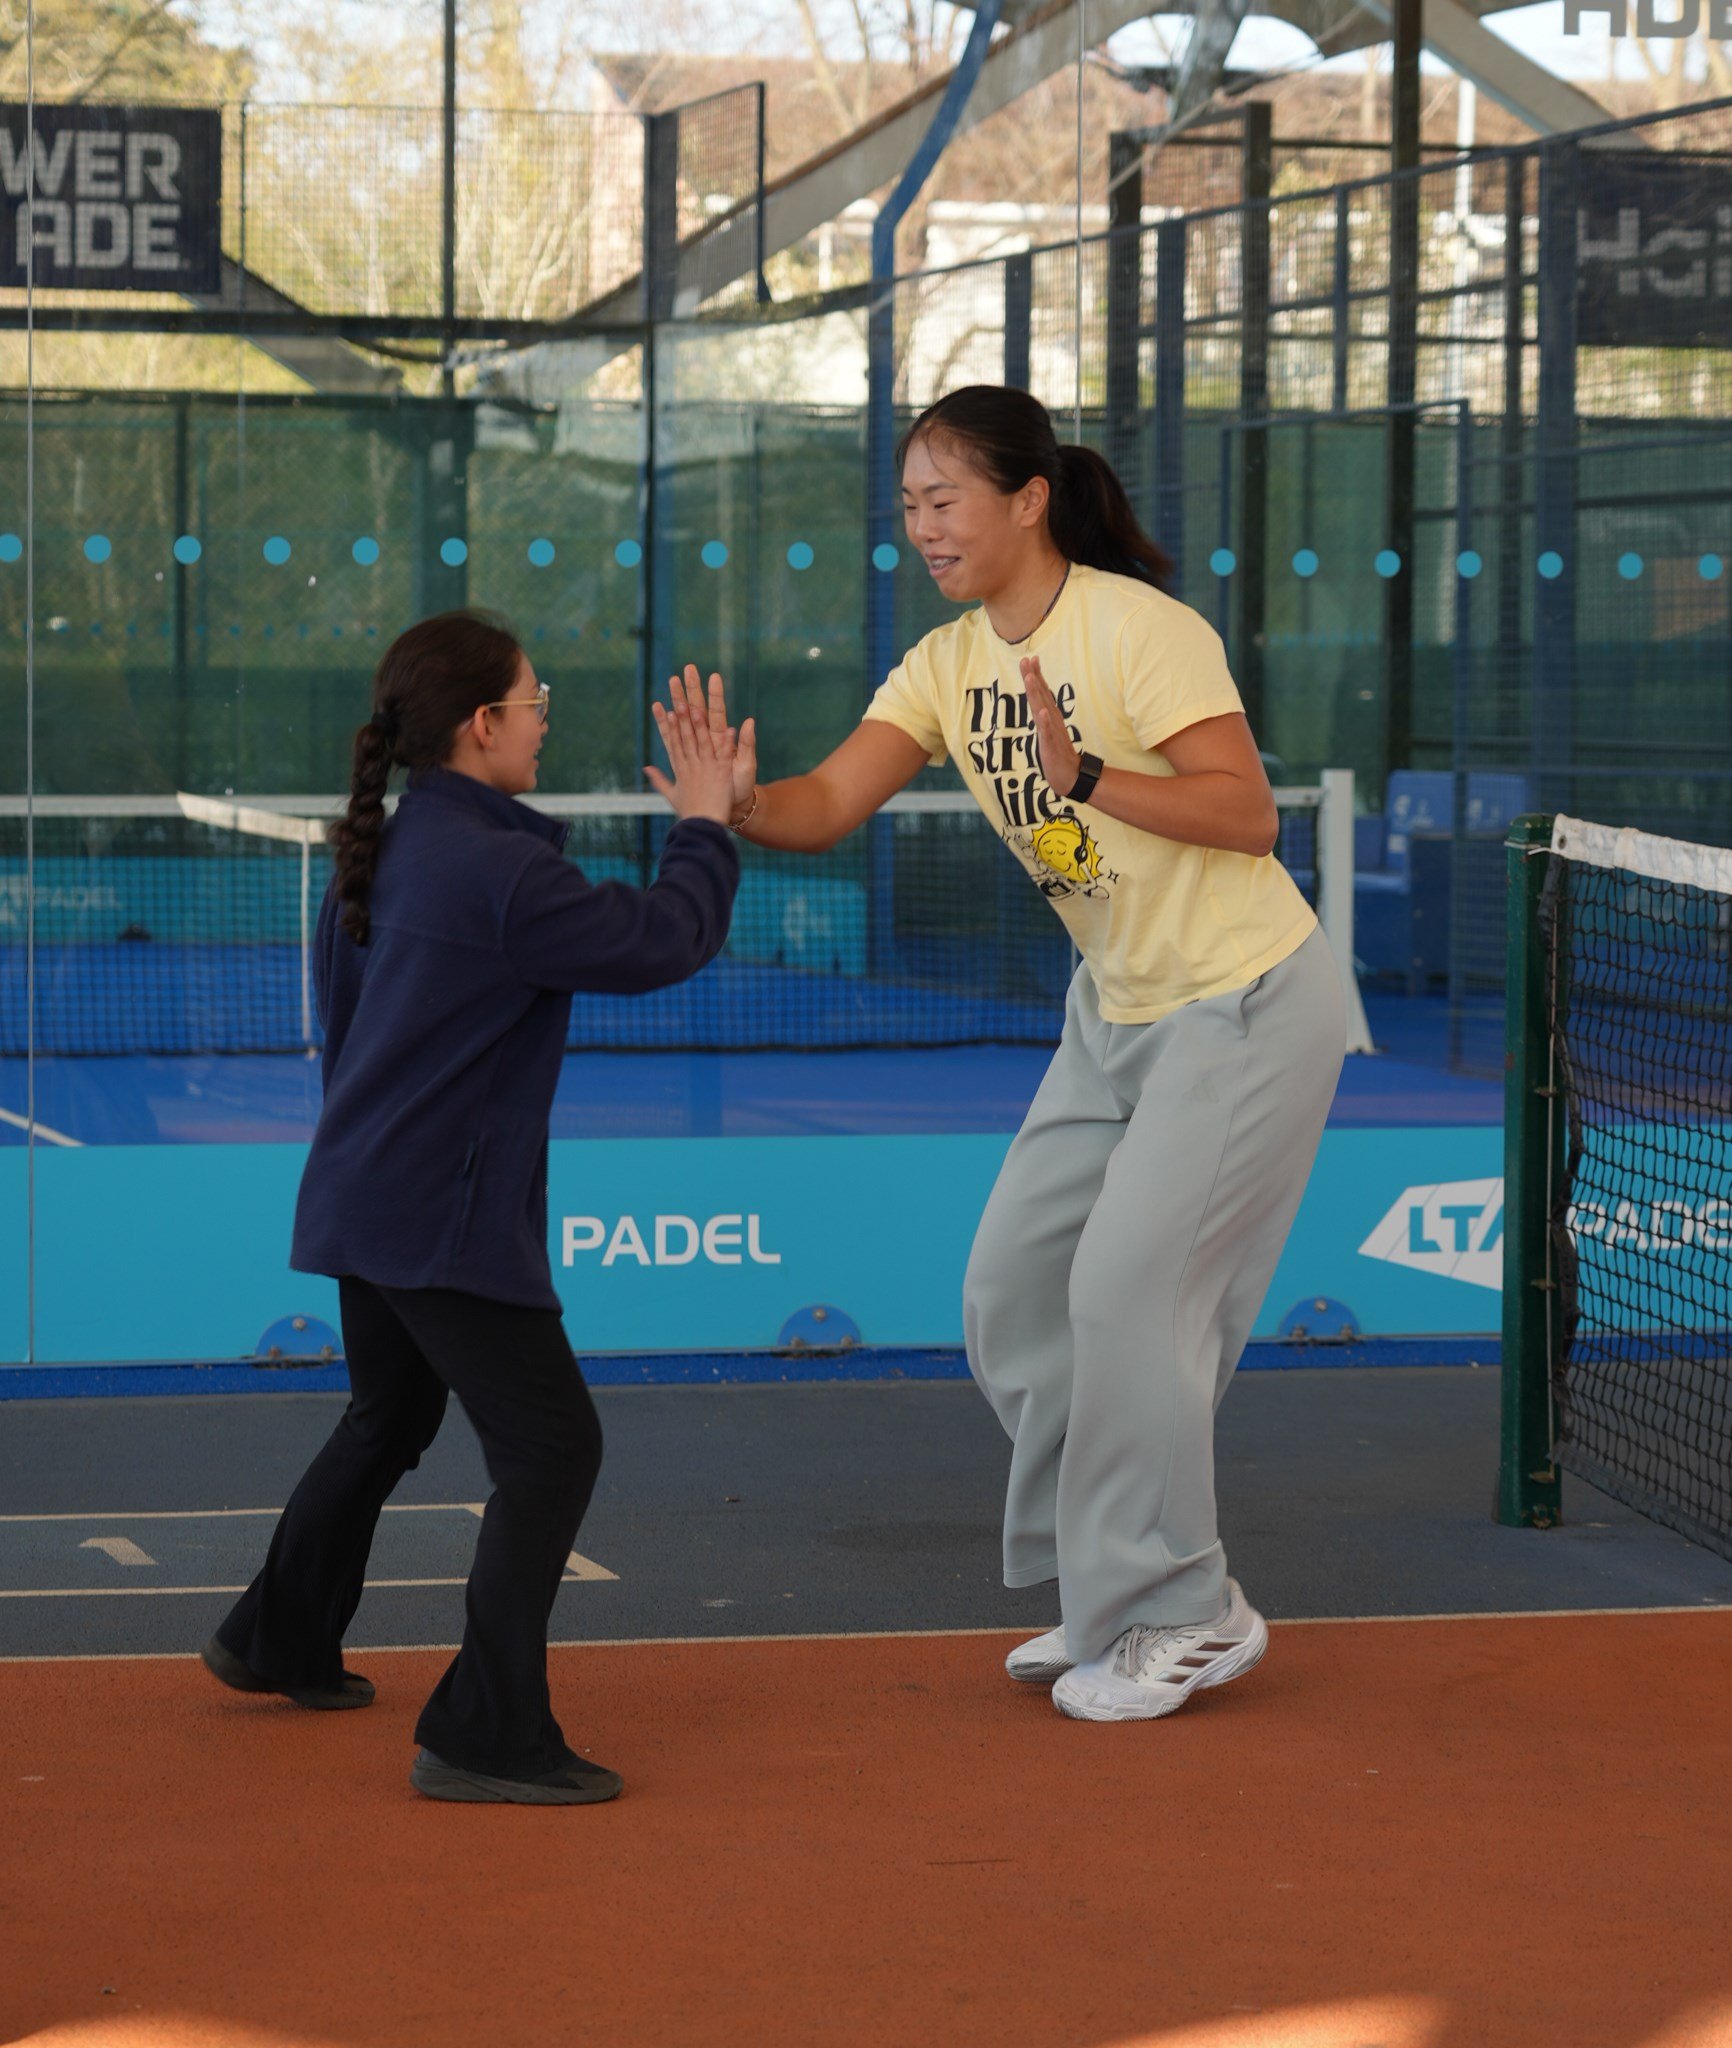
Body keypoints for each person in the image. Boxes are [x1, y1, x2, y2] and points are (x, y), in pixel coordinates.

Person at [667, 384, 1346, 1723]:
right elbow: (830, 800)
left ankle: (1184, 1605)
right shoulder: (945, 664)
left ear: (1028, 500)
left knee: (1130, 1299)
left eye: (945, 499)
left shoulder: (1138, 629)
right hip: (1116, 1005)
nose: (922, 527)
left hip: (1244, 997)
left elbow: (1247, 814)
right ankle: (1110, 1587)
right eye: (909, 505)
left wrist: (1084, 774)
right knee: (1014, 1294)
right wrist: (735, 804)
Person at [200, 608, 740, 1802]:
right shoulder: (500, 871)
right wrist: (704, 822)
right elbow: (662, 939)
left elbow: (347, 1031)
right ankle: (485, 1730)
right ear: (483, 722)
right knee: (553, 1449)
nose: (546, 721)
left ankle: (278, 1634)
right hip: (433, 1218)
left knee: (389, 1415)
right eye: (535, 702)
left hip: (363, 1196)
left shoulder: (388, 844)